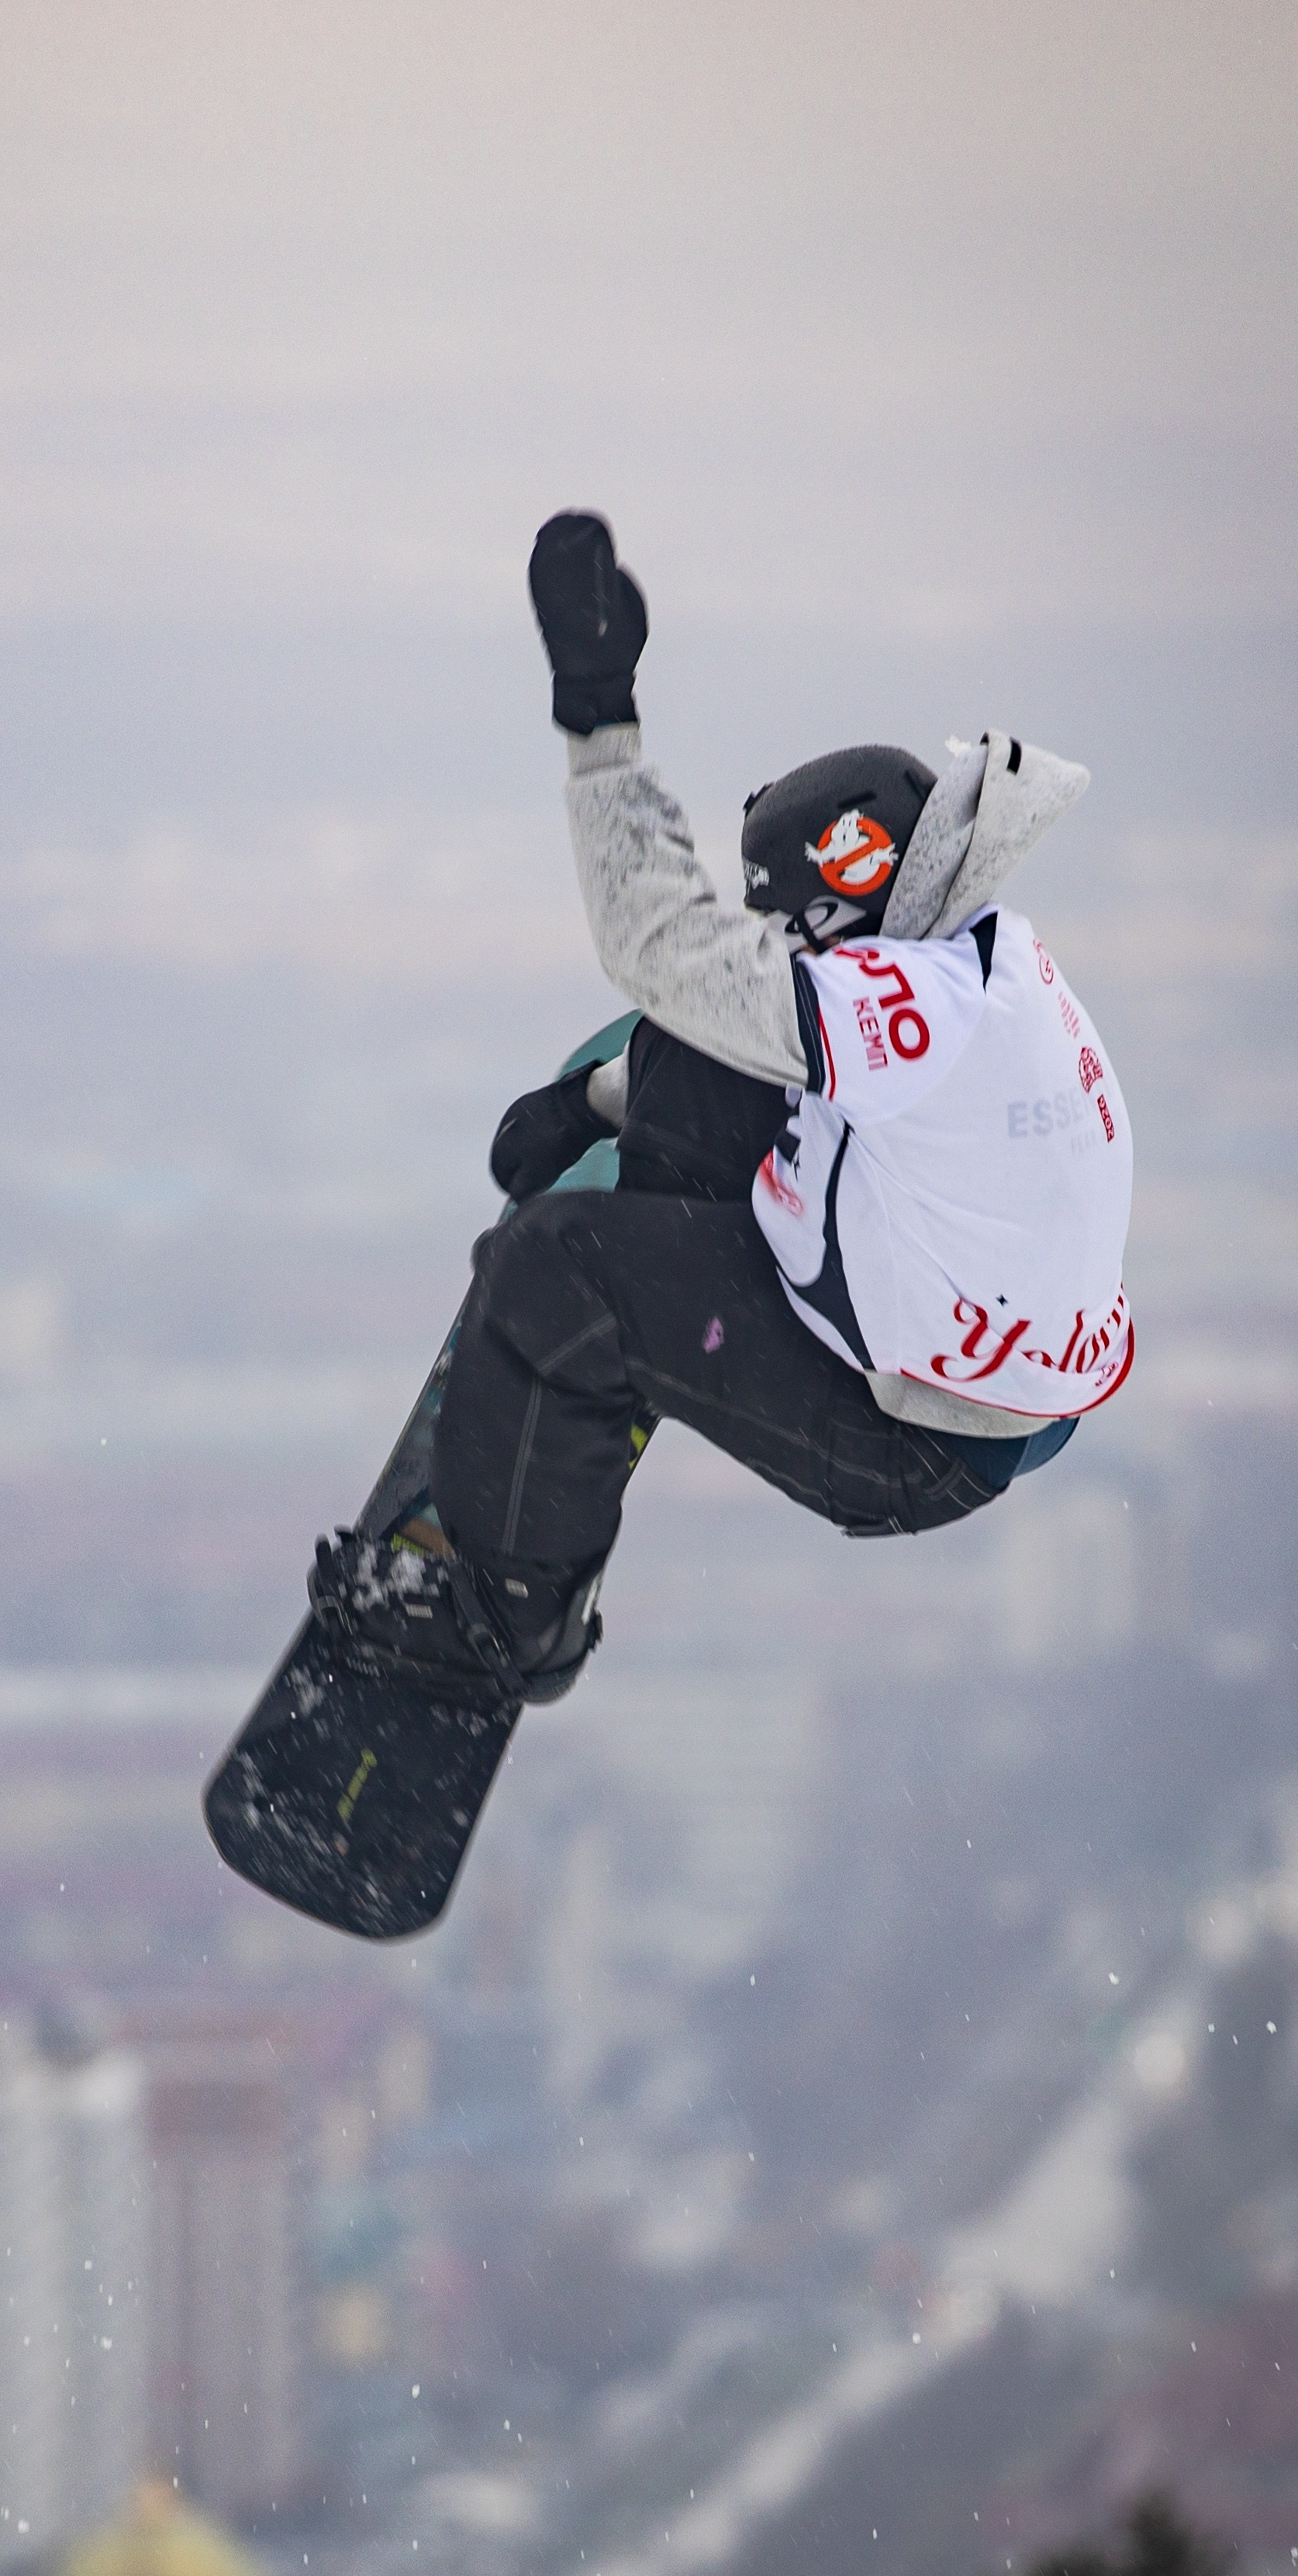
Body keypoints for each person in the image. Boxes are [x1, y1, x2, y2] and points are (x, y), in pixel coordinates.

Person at [312, 511, 1133, 1705]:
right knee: (697, 1048)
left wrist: (598, 717)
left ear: (834, 908)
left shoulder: (921, 1014)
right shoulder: (967, 965)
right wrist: (601, 1103)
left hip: (916, 1439)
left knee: (550, 1270)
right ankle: (635, 1295)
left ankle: (506, 1621)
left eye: (784, 927)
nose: (772, 946)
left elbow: (664, 950)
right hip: (982, 1363)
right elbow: (738, 1030)